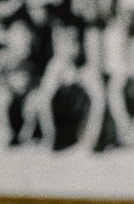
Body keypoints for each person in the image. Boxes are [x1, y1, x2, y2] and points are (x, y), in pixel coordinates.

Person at [21, 17, 105, 152]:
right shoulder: (55, 65)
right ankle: (50, 136)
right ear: (57, 46)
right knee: (37, 97)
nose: (69, 48)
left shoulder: (87, 67)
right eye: (64, 43)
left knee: (94, 94)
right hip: (60, 121)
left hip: (80, 122)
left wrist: (92, 136)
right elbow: (44, 98)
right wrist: (50, 136)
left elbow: (99, 99)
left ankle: (87, 138)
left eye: (73, 42)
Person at [0, 16, 37, 147]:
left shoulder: (32, 58)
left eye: (27, 39)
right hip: (8, 94)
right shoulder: (2, 57)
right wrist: (8, 83)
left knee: (34, 99)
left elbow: (35, 79)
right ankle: (5, 130)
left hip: (25, 97)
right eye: (21, 39)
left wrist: (30, 87)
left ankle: (27, 131)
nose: (25, 42)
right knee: (2, 97)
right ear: (10, 40)